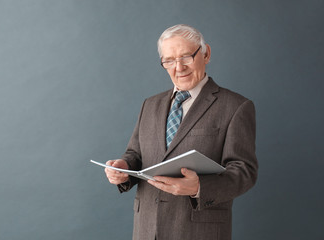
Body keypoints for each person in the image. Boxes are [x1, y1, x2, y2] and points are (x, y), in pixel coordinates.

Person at [104, 24, 258, 240]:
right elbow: (136, 154)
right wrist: (124, 167)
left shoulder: (236, 106)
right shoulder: (150, 104)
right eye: (169, 60)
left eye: (186, 57)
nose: (179, 67)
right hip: (146, 230)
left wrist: (199, 187)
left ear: (206, 54)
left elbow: (244, 172)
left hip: (199, 232)